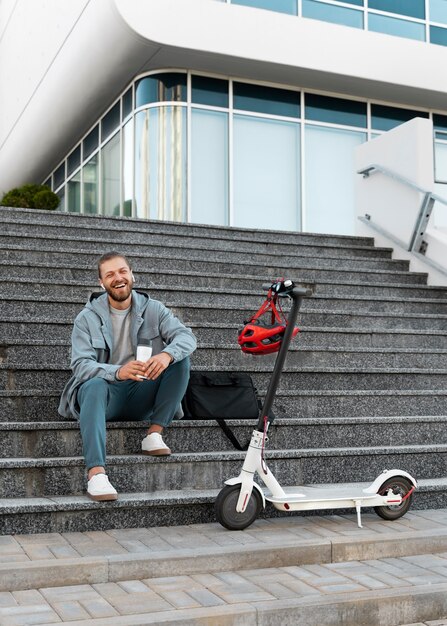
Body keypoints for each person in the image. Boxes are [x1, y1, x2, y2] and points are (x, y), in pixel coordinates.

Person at [58, 251, 196, 501]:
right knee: (94, 385)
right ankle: (96, 474)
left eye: (122, 271)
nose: (117, 278)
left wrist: (165, 355)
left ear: (132, 275)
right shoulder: (86, 318)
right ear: (102, 283)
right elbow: (80, 366)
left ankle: (154, 434)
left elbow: (187, 337)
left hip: (140, 393)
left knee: (179, 359)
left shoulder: (154, 309)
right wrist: (118, 371)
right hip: (104, 397)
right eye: (109, 274)